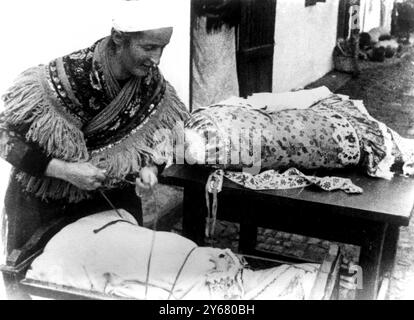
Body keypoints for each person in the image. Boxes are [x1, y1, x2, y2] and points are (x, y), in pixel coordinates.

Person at [0, 0, 189, 279]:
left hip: (109, 201)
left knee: (120, 278)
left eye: (162, 48)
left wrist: (150, 168)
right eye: (148, 47)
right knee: (43, 280)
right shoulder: (64, 78)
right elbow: (5, 140)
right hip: (46, 200)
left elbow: (161, 135)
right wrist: (66, 170)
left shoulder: (151, 82)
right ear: (118, 39)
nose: (157, 59)